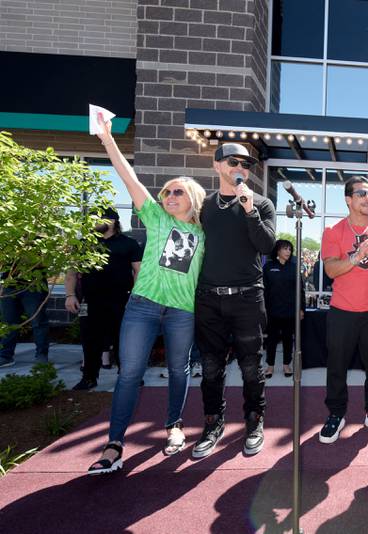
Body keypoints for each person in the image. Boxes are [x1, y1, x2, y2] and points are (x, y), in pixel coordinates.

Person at [87, 113, 206, 475]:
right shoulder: (155, 217)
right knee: (129, 374)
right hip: (142, 307)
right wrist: (107, 140)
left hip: (182, 312)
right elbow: (129, 176)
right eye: (167, 191)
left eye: (177, 191)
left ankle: (174, 426)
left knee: (178, 370)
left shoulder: (205, 232)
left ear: (193, 199)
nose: (169, 195)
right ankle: (114, 444)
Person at [192, 143, 276, 459]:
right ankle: (213, 423)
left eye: (246, 164)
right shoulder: (203, 207)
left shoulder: (262, 204)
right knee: (211, 368)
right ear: (217, 166)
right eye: (233, 161)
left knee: (252, 367)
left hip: (248, 298)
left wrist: (249, 209)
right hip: (208, 299)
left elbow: (266, 245)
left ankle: (254, 422)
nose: (240, 167)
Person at [318, 176, 368, 444]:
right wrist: (356, 256)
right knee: (336, 367)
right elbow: (331, 270)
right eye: (361, 193)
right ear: (348, 199)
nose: (367, 198)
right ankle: (336, 414)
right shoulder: (333, 230)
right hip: (342, 312)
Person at [65, 208, 142, 390]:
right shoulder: (84, 244)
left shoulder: (129, 244)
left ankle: (128, 378)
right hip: (90, 301)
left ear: (113, 221)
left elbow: (138, 271)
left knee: (123, 340)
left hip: (121, 300)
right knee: (90, 340)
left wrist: (136, 295)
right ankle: (89, 378)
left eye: (99, 218)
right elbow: (71, 272)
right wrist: (70, 295)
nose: (94, 221)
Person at [263, 239, 304, 379]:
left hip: (289, 311)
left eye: (290, 249)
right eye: (285, 249)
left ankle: (287, 365)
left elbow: (301, 290)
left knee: (288, 339)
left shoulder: (294, 267)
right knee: (271, 340)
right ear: (278, 251)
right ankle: (270, 366)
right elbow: (264, 291)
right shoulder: (268, 267)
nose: (288, 251)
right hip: (272, 311)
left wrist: (301, 309)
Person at [0, 270, 50, 367]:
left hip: (35, 285)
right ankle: (5, 355)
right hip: (8, 285)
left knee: (38, 321)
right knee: (8, 323)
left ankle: (41, 354)